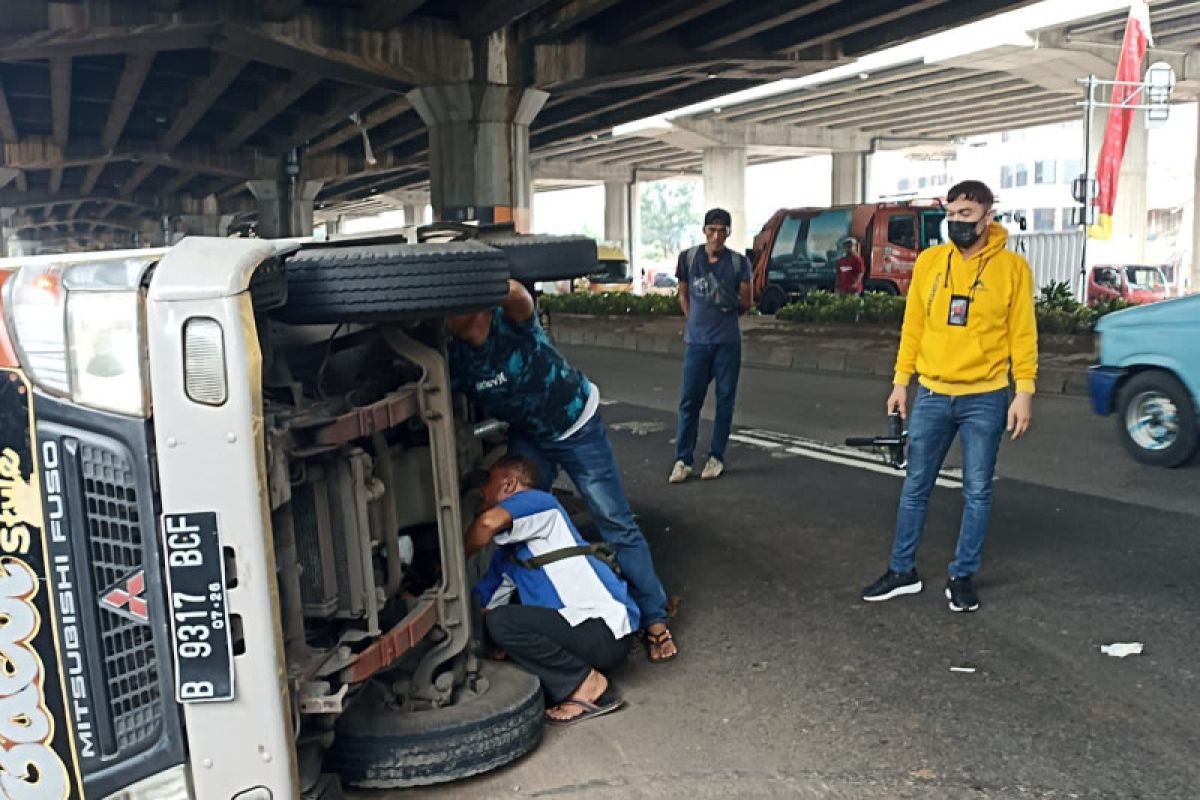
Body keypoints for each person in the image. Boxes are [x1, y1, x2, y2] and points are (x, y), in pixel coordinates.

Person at [446, 280, 679, 663]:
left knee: (615, 521)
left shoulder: (511, 322)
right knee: (516, 518)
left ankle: (655, 621)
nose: (441, 316)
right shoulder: (456, 358)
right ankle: (532, 619)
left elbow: (519, 295)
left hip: (576, 424)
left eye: (447, 306)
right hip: (530, 435)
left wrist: (477, 276)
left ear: (474, 307)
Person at [861, 180, 1037, 613]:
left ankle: (962, 575)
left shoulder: (1012, 269)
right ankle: (902, 570)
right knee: (915, 486)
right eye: (952, 214)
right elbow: (914, 327)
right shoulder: (930, 263)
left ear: (988, 219)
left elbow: (1023, 334)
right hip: (934, 392)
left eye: (967, 216)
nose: (957, 223)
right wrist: (901, 382)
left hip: (986, 395)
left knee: (977, 491)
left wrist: (1025, 391)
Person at [467, 456, 637, 725]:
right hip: (577, 634)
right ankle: (576, 677)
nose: (483, 494)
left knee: (502, 621)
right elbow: (482, 607)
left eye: (489, 483)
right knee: (494, 623)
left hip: (604, 630)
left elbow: (487, 524)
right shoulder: (510, 556)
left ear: (509, 484)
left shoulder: (542, 504)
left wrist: (449, 560)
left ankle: (587, 684)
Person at [668, 208, 753, 484]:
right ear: (704, 230)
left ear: (728, 233)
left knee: (725, 401)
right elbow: (683, 291)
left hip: (727, 343)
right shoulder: (689, 258)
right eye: (711, 230)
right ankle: (684, 459)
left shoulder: (739, 263)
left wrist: (722, 317)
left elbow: (746, 301)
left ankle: (716, 456)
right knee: (689, 401)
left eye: (722, 231)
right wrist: (693, 318)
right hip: (697, 344)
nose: (716, 236)